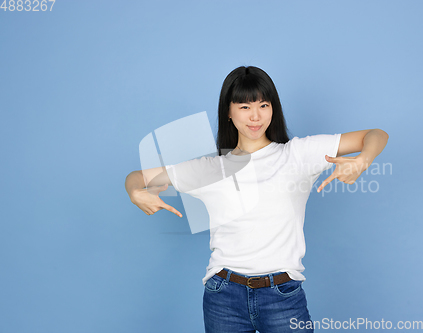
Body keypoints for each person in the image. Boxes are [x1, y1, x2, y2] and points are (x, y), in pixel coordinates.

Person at [125, 66, 389, 333]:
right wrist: (136, 192)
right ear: (228, 111)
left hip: (282, 295)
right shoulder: (210, 169)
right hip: (223, 297)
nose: (255, 116)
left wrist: (363, 160)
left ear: (273, 108)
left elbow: (376, 135)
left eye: (263, 105)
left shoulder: (297, 154)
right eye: (244, 107)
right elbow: (137, 176)